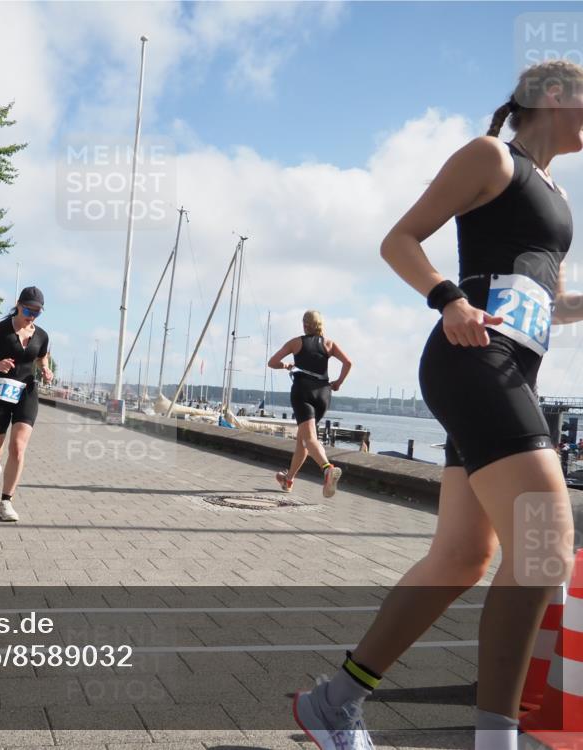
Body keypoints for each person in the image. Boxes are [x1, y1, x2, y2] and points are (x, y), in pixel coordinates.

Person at [292, 61, 581, 750]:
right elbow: (400, 239)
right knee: (546, 546)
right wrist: (447, 297)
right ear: (552, 97)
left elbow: (551, 301)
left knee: (460, 557)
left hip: (511, 372)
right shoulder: (491, 158)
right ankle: (496, 741)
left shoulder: (558, 197)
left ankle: (333, 703)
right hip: (471, 359)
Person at [0, 287, 53, 522]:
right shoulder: (1, 330)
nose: (31, 315)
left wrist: (45, 367)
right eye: (28, 309)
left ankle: (6, 502)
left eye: (37, 312)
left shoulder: (42, 335)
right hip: (0, 391)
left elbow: (42, 355)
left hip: (27, 391)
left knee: (17, 447)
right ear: (18, 304)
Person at [267, 310, 352, 498]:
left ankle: (327, 468)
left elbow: (272, 362)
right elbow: (348, 363)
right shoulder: (329, 344)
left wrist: (286, 365)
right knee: (302, 440)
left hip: (303, 392)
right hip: (323, 394)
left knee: (309, 438)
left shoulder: (296, 342)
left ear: (305, 325)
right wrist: (338, 383)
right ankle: (288, 479)